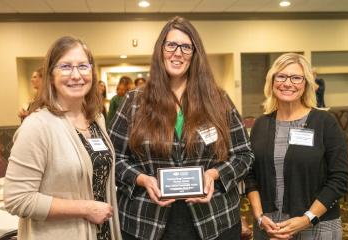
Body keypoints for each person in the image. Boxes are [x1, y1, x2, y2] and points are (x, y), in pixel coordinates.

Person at [109, 16, 254, 240]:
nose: (178, 53)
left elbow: (244, 155)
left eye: (187, 47)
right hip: (145, 223)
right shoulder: (133, 102)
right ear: (160, 50)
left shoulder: (218, 100)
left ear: (195, 54)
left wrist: (214, 174)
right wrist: (142, 179)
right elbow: (114, 158)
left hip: (214, 222)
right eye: (171, 45)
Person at [4, 36, 121, 240]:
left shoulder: (96, 119)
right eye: (65, 66)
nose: (76, 75)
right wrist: (86, 208)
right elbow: (17, 199)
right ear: (50, 76)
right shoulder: (37, 126)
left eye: (83, 66)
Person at [245, 53, 348, 239]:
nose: (287, 83)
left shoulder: (325, 122)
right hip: (270, 227)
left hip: (316, 225)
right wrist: (259, 216)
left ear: (306, 84)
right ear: (271, 81)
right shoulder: (261, 124)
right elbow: (250, 174)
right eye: (281, 76)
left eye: (296, 78)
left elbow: (340, 177)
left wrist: (307, 218)